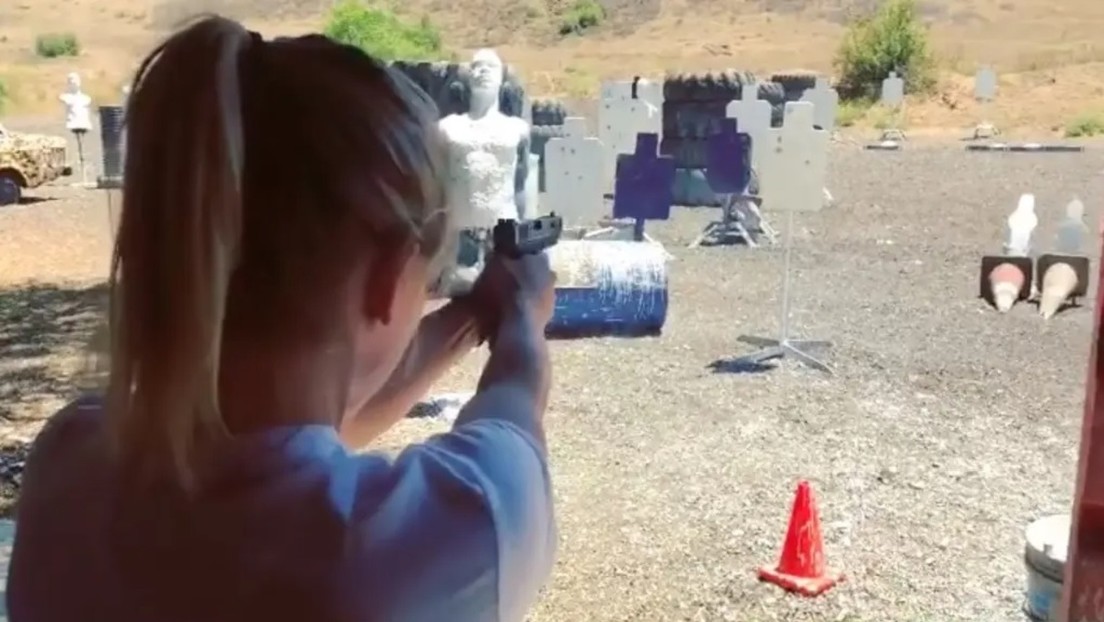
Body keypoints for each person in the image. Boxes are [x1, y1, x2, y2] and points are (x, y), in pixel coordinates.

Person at [7, 15, 558, 622]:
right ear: (385, 278)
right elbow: (512, 411)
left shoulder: (70, 460)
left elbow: (289, 437)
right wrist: (521, 324)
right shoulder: (451, 531)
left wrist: (476, 312)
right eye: (425, 277)